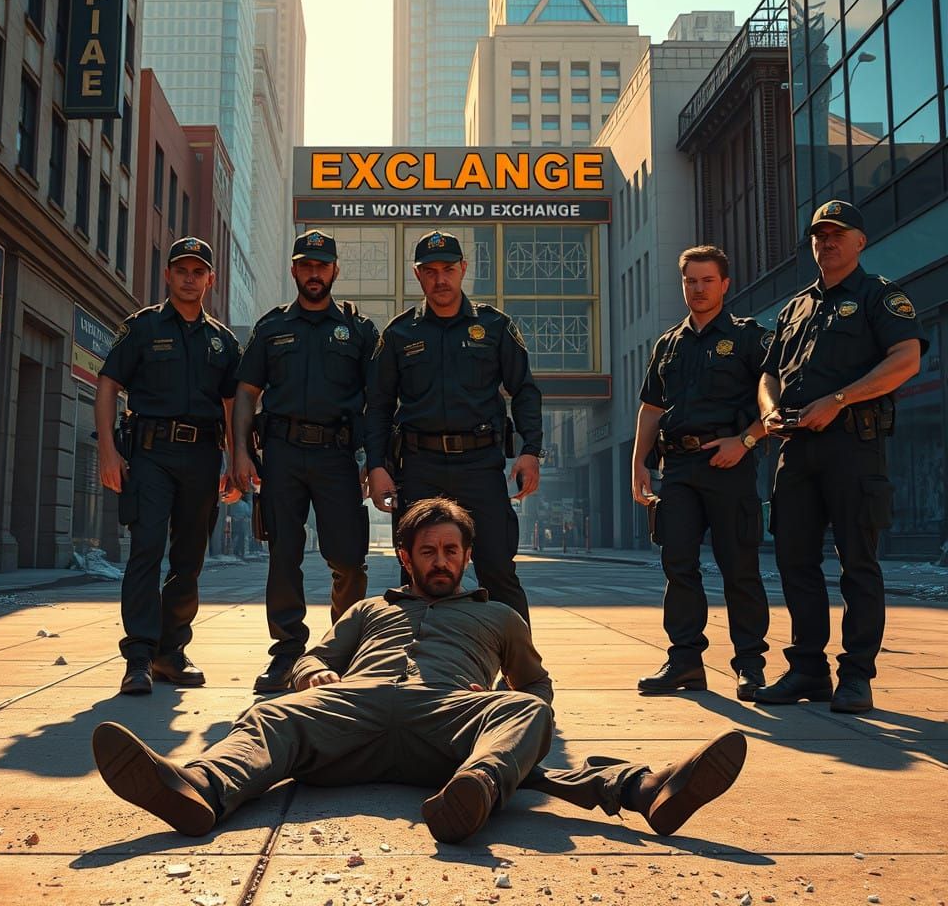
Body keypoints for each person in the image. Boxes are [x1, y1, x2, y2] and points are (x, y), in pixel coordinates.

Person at [92, 497, 747, 843]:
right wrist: (314, 676)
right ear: (406, 557)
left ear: (466, 556)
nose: (442, 561)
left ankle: (476, 794)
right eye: (428, 551)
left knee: (524, 714)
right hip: (354, 712)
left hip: (448, 725)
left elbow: (536, 690)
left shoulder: (499, 619)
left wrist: (490, 700)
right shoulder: (370, 610)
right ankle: (197, 790)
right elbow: (317, 655)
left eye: (452, 551)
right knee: (273, 714)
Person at [756, 200, 926, 714]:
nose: (826, 243)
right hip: (796, 451)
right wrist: (768, 412)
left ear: (860, 241)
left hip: (853, 445)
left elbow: (907, 360)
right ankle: (807, 668)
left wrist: (839, 399)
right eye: (819, 235)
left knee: (858, 564)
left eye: (837, 234)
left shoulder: (881, 297)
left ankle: (856, 676)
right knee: (795, 561)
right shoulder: (795, 307)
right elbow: (768, 374)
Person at [365, 230, 543, 624]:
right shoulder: (399, 334)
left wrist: (531, 450)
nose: (440, 279)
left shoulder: (495, 327)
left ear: (463, 269)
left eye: (448, 269)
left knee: (497, 567)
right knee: (416, 572)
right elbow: (377, 406)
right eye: (430, 271)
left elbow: (525, 390)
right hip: (418, 467)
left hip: (480, 465)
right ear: (417, 274)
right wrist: (376, 466)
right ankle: (416, 668)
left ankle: (522, 669)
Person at [231, 230, 378, 694]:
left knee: (349, 560)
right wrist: (238, 450)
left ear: (335, 270)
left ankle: (342, 651)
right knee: (283, 557)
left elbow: (379, 400)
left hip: (337, 455)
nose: (314, 273)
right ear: (294, 270)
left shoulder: (359, 330)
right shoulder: (272, 328)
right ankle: (288, 653)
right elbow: (246, 393)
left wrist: (373, 460)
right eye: (306, 265)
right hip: (282, 455)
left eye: (322, 265)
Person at [96, 236, 239, 695]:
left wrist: (237, 461)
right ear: (168, 275)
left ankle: (170, 652)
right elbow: (106, 385)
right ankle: (138, 656)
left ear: (210, 280)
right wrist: (107, 452)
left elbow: (233, 405)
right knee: (147, 548)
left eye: (199, 271)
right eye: (182, 270)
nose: (190, 278)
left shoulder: (223, 342)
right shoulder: (140, 328)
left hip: (201, 455)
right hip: (151, 453)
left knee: (190, 558)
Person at [631, 246, 771, 702]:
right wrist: (639, 465)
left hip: (728, 462)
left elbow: (775, 399)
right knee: (678, 566)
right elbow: (651, 408)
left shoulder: (749, 338)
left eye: (707, 280)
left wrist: (745, 441)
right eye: (690, 280)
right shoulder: (668, 343)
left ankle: (750, 666)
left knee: (739, 568)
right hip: (679, 468)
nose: (698, 288)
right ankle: (685, 661)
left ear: (725, 283)